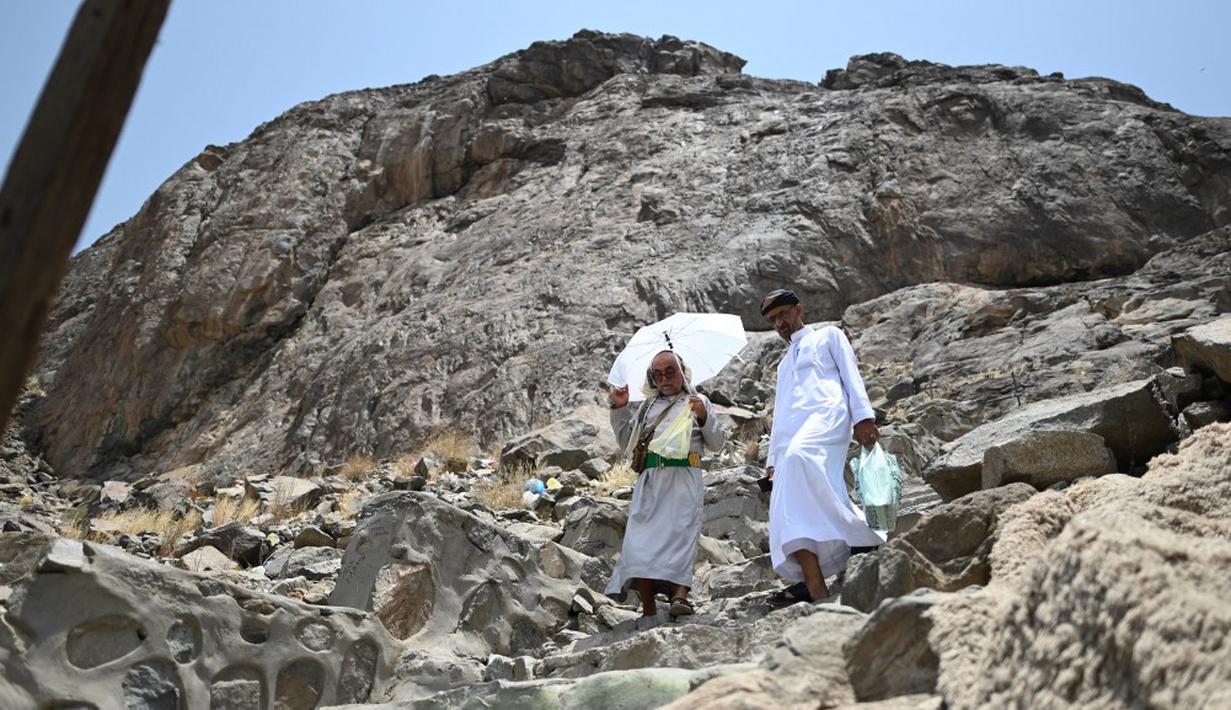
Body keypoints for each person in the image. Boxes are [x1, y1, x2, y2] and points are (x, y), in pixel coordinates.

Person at [760, 288, 885, 605]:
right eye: (773, 320)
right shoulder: (783, 365)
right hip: (792, 435)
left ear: (799, 310)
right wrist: (773, 459)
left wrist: (863, 418)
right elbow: (781, 412)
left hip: (829, 417)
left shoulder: (829, 336)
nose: (779, 323)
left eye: (783, 314)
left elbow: (850, 375)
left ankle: (857, 537)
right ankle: (817, 575)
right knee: (788, 497)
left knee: (800, 460)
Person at [606, 350, 725, 617]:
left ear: (682, 371)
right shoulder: (648, 407)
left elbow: (717, 444)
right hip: (650, 482)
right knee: (639, 543)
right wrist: (619, 408)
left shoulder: (698, 401)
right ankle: (648, 609)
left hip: (684, 479)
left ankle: (680, 597)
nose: (664, 378)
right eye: (657, 374)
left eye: (670, 371)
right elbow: (627, 442)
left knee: (681, 537)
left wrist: (703, 416)